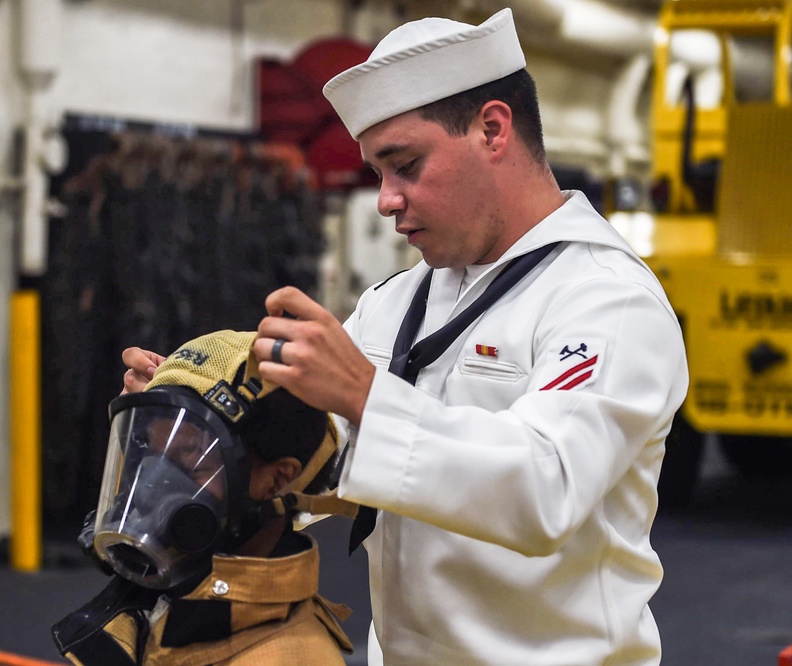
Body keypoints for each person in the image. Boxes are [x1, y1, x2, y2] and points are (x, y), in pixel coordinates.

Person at [123, 8, 688, 665]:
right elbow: (333, 462)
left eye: (406, 166)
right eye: (379, 174)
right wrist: (207, 430)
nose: (386, 200)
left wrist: (364, 394)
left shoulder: (605, 300)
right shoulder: (398, 301)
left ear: (492, 129)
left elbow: (547, 490)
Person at [53, 330, 354, 665]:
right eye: (151, 454)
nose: (154, 489)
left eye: (188, 462)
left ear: (277, 479)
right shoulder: (173, 602)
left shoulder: (285, 658)